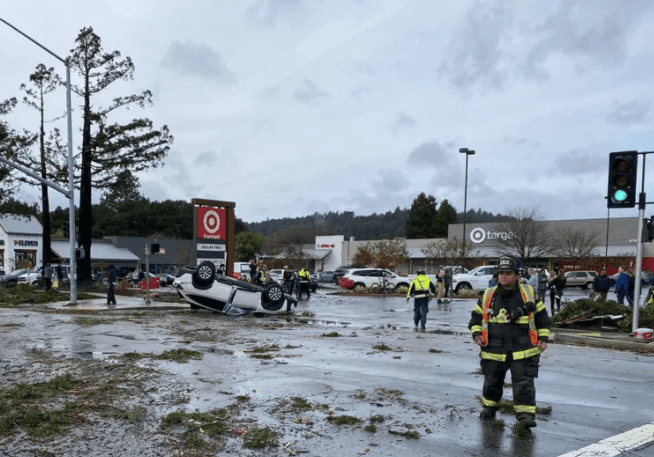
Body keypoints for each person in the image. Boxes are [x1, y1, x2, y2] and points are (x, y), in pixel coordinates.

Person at [468, 255, 550, 429]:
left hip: (524, 348)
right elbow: (475, 318)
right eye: (501, 273)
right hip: (493, 349)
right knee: (492, 381)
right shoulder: (488, 295)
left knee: (524, 384)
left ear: (517, 275)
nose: (504, 276)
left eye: (508, 273)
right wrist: (476, 336)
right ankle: (489, 409)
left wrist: (543, 338)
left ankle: (525, 416)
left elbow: (542, 317)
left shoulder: (528, 294)